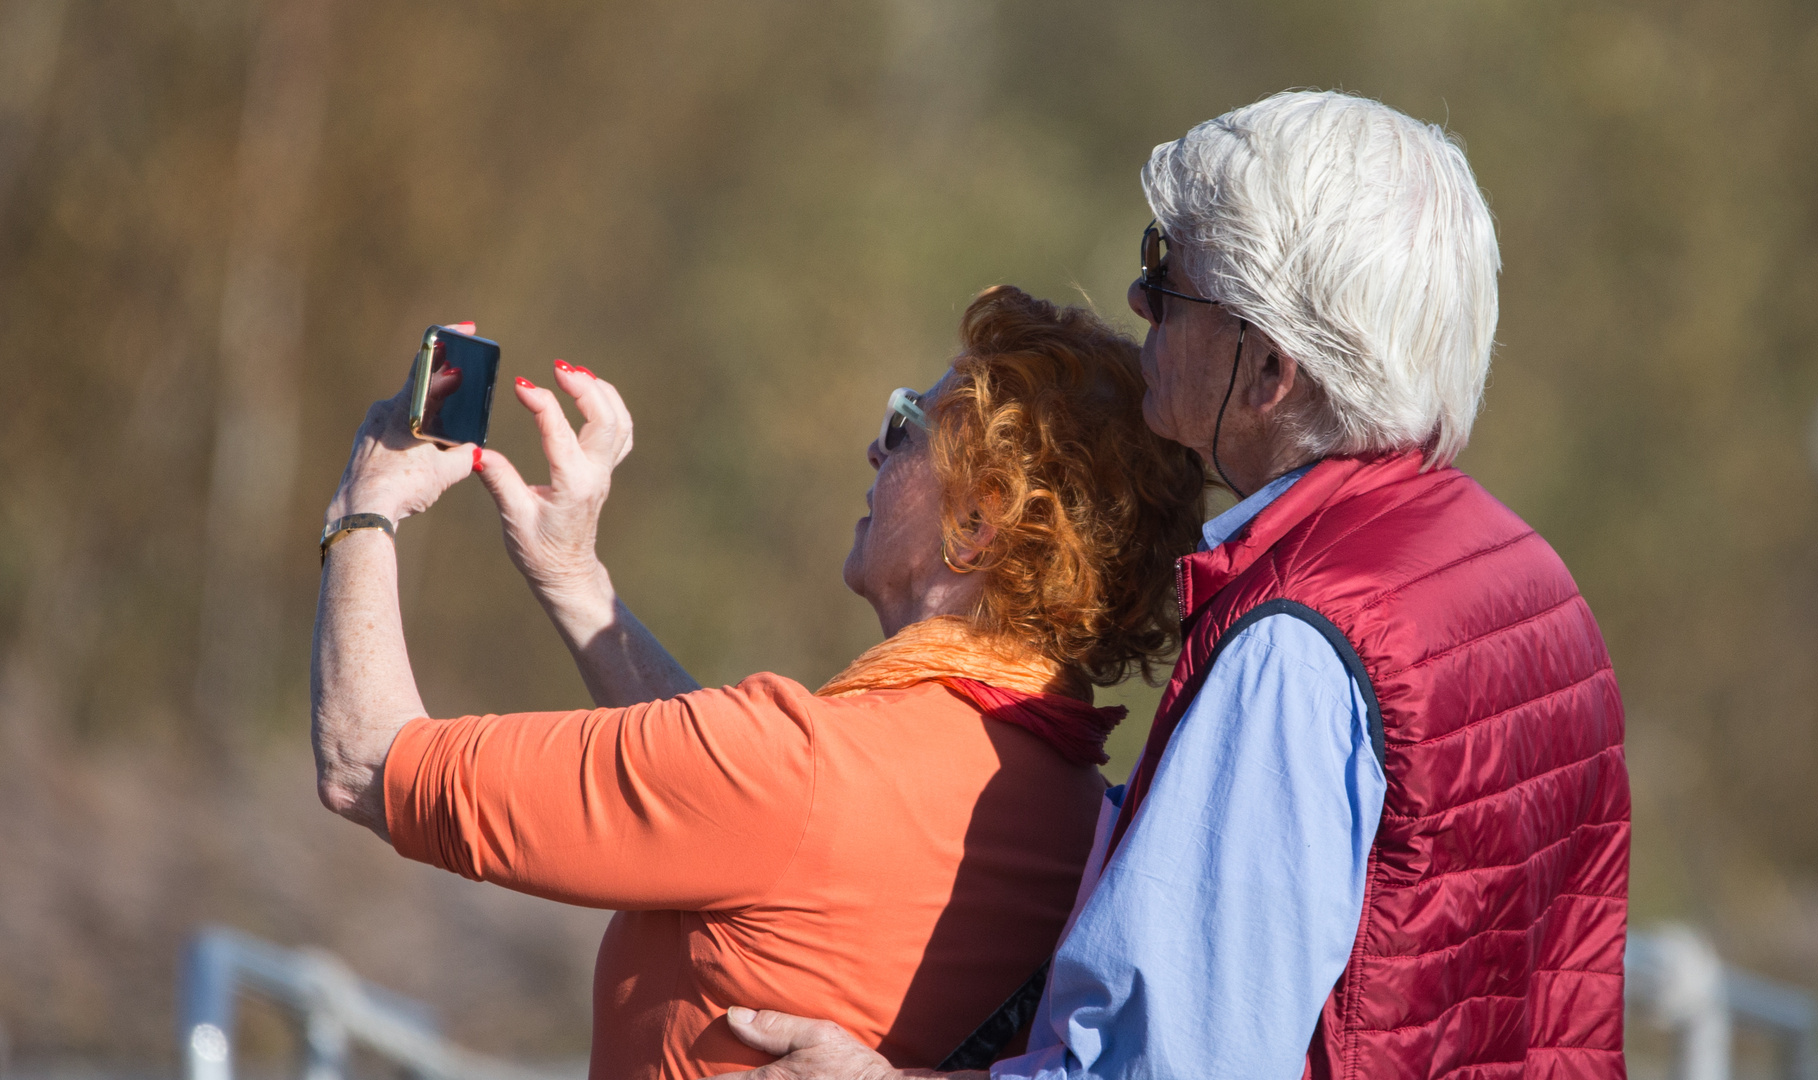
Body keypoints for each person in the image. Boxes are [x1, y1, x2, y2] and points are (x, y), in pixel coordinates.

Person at [716, 91, 1631, 1080]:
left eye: (1169, 275)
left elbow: (1178, 1063)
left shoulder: (1296, 641)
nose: (1141, 301)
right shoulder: (1520, 572)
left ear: (1271, 371)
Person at [308, 288, 1208, 1079]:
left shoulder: (803, 765)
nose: (873, 447)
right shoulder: (1084, 816)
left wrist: (365, 508)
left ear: (977, 523)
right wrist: (573, 578)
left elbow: (366, 762)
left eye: (907, 424)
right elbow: (736, 814)